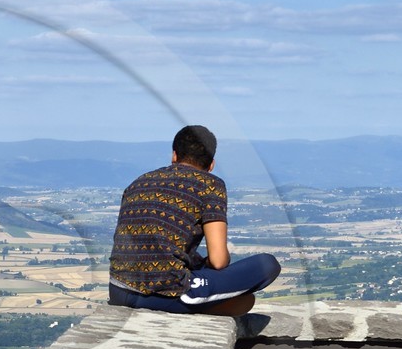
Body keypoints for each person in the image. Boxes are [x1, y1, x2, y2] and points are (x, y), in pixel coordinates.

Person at [108, 125, 281, 317]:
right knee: (267, 265)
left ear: (174, 155)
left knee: (240, 298)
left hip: (118, 291)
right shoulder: (209, 184)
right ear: (211, 164)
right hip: (166, 295)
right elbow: (218, 261)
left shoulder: (139, 182)